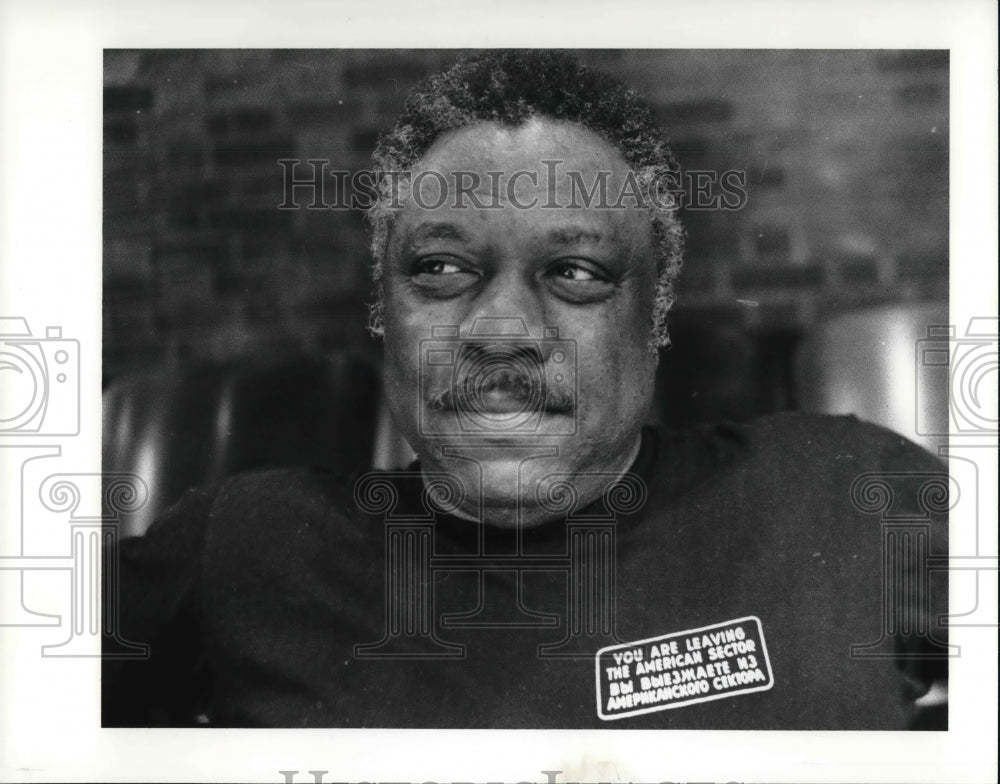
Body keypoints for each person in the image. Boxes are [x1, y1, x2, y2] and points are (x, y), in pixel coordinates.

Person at [103, 50, 948, 729]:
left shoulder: (843, 497)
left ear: (653, 321)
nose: (502, 328)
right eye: (441, 269)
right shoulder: (247, 549)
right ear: (381, 316)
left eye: (575, 272)